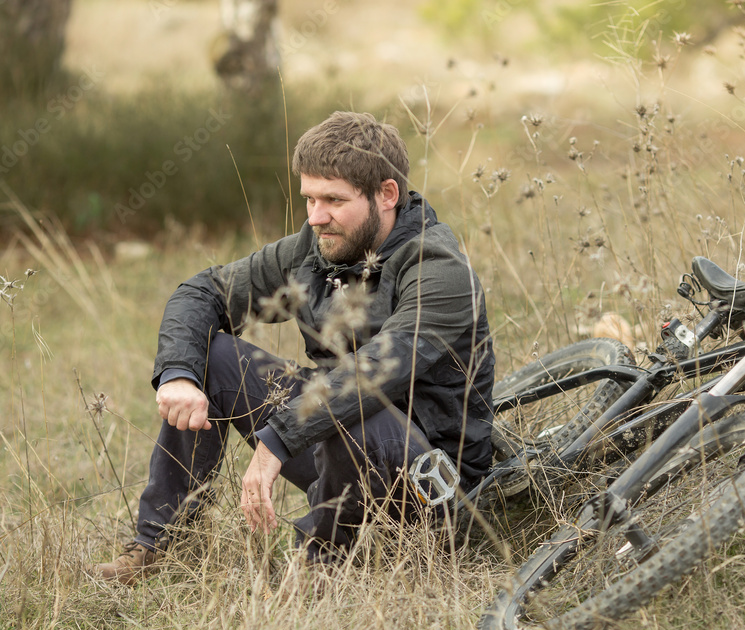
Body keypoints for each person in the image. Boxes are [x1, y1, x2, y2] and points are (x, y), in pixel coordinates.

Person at [94, 111, 495, 584]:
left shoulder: (438, 267)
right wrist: (179, 374)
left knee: (356, 404)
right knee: (215, 356)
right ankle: (157, 546)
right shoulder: (319, 245)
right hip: (340, 449)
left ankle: (318, 571)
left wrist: (275, 442)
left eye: (333, 199)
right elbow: (204, 292)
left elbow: (373, 373)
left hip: (428, 492)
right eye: (309, 198)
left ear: (387, 195)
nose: (316, 215)